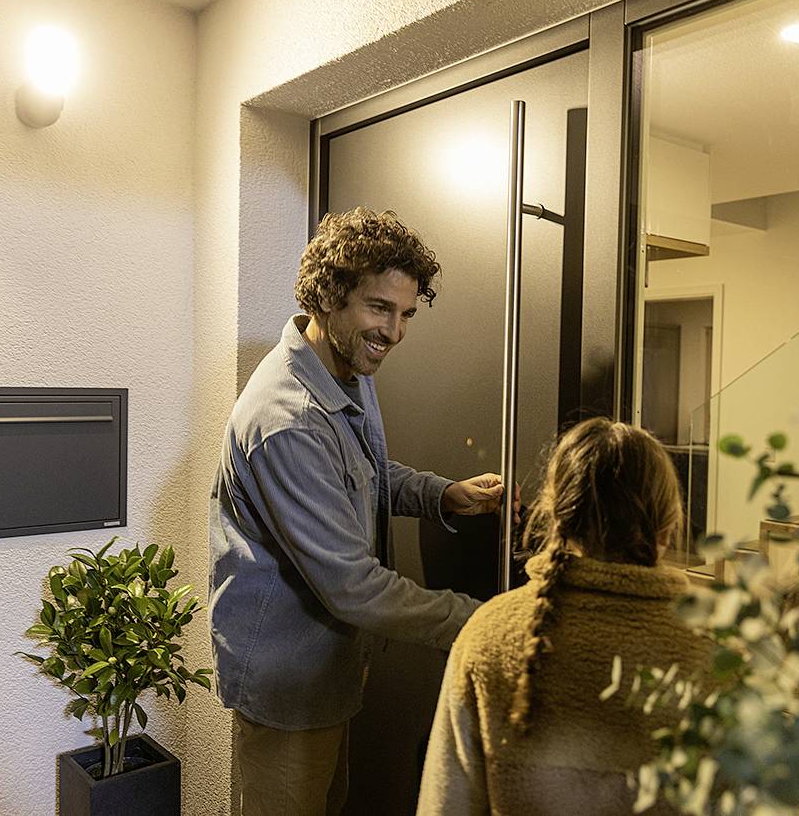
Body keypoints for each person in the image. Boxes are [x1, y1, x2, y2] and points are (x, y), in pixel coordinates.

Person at [209, 207, 509, 815]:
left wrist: (440, 494)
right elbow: (353, 587)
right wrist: (487, 623)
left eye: (405, 315)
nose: (394, 332)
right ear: (328, 297)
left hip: (331, 675)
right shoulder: (287, 420)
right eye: (380, 308)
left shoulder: (344, 367)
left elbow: (362, 473)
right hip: (289, 690)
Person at [416, 417, 713, 815]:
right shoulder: (709, 654)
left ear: (555, 517)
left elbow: (445, 805)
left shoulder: (486, 638)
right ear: (668, 525)